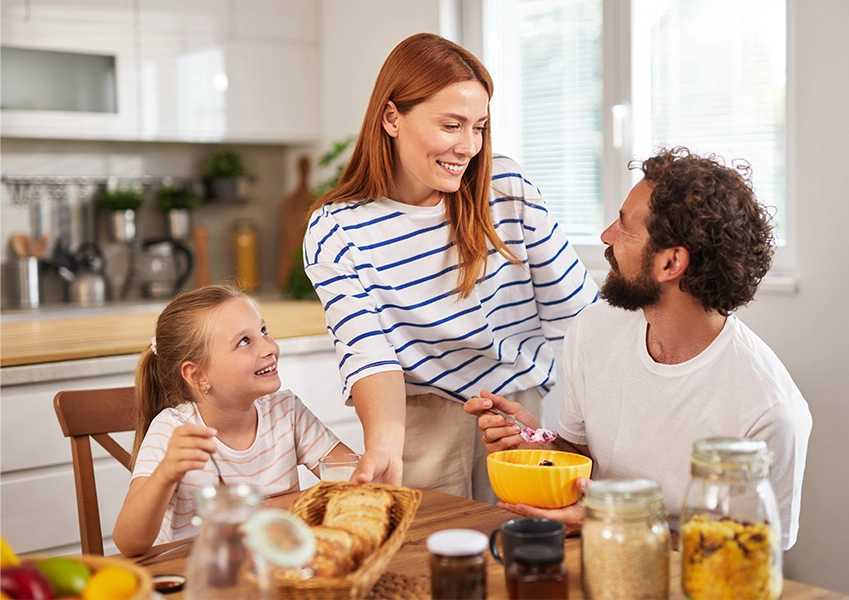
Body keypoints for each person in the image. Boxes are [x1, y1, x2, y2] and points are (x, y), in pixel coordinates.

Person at [466, 147, 812, 550]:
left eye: (625, 227)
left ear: (670, 263)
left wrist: (612, 518)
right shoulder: (593, 330)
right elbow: (580, 458)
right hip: (594, 559)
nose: (606, 236)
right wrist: (533, 441)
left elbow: (745, 558)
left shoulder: (769, 410)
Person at [303, 32, 598, 502]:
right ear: (391, 117)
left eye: (479, 126)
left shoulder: (507, 188)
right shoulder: (338, 229)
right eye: (451, 125)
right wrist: (383, 445)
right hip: (415, 425)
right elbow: (367, 352)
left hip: (514, 415)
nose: (469, 146)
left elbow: (583, 314)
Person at [112, 285, 356, 557]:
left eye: (263, 331)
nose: (269, 347)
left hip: (277, 566)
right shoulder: (173, 431)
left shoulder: (287, 412)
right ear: (198, 376)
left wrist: (252, 513)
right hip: (204, 577)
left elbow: (353, 486)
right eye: (244, 341)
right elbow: (129, 542)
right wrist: (166, 473)